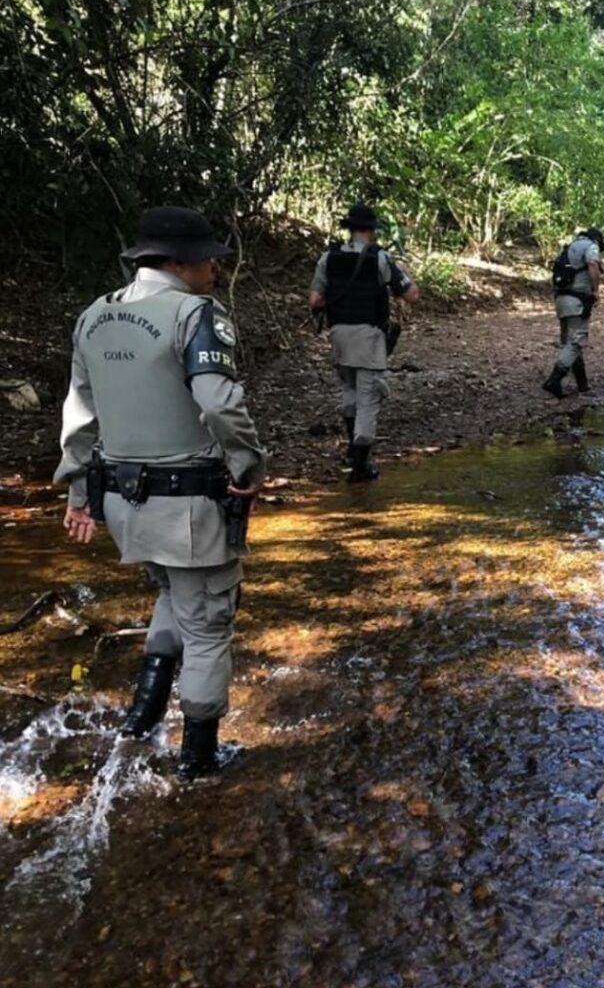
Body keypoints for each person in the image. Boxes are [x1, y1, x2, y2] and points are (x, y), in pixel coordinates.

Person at [54, 205, 267, 781]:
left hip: (125, 505)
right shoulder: (196, 315)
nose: (215, 270)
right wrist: (249, 467)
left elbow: (79, 414)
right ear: (179, 262)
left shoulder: (93, 316)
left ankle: (141, 718)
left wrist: (77, 492)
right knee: (208, 625)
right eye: (208, 261)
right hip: (191, 505)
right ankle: (199, 758)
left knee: (173, 594)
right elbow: (220, 403)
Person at [308, 204, 420, 481]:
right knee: (369, 398)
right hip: (368, 336)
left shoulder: (328, 257)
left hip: (338, 335)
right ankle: (360, 466)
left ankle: (352, 452)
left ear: (350, 229)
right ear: (371, 231)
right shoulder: (379, 258)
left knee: (349, 390)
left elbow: (315, 300)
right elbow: (411, 294)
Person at [542, 226, 604, 399]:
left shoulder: (571, 247)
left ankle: (582, 383)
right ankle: (554, 380)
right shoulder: (590, 246)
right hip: (577, 301)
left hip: (561, 299)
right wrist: (596, 291)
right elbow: (592, 264)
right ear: (597, 241)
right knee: (576, 341)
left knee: (569, 341)